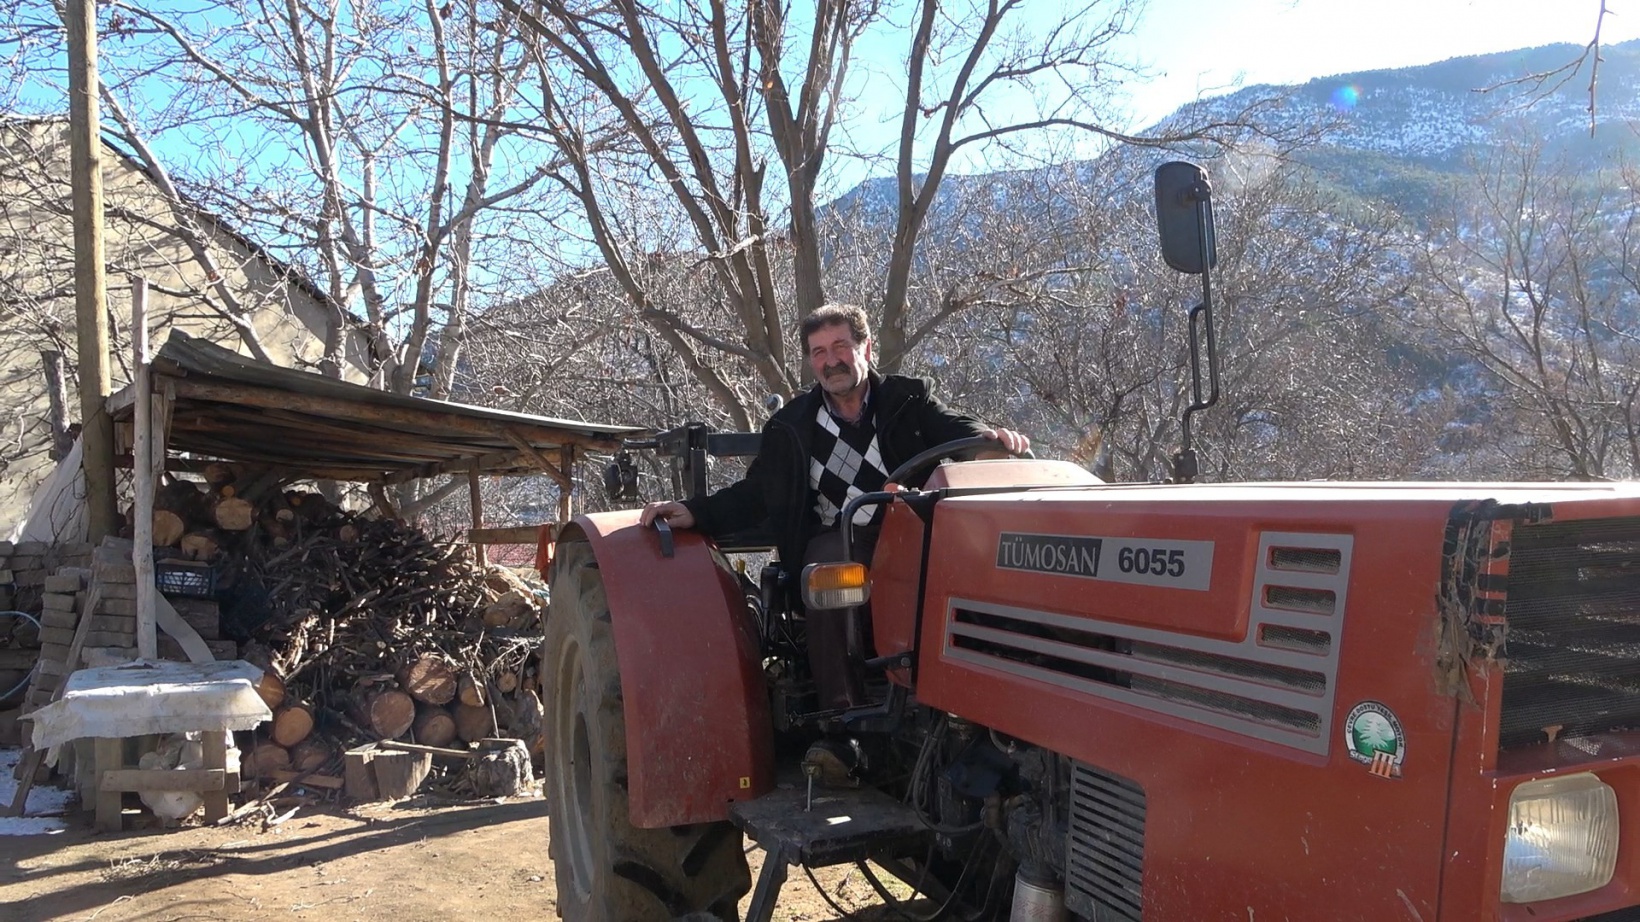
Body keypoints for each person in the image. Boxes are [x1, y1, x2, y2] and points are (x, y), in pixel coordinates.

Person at [640, 303, 1029, 720]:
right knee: (830, 575)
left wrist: (993, 441)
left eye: (840, 346)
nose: (831, 361)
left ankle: (985, 711)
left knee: (987, 569)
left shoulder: (908, 401)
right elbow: (756, 493)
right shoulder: (791, 427)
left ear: (866, 348)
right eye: (819, 352)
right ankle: (845, 722)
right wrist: (694, 511)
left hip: (912, 536)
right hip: (840, 537)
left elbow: (961, 432)